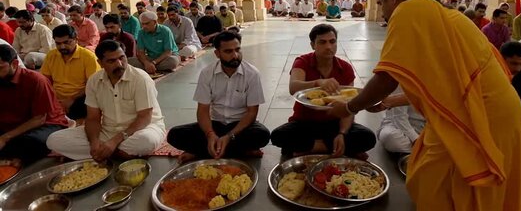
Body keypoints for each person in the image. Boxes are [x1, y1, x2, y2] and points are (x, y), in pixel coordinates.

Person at [327, 0, 521, 210]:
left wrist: (348, 107)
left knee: (432, 178)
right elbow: (440, 82)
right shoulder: (443, 14)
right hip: (498, 109)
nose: (383, 11)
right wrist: (386, 101)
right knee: (435, 173)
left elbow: (386, 79)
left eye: (380, 2)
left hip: (483, 113)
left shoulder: (409, 10)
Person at [46, 40, 166, 161]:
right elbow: (93, 118)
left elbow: (144, 117)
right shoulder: (94, 81)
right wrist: (94, 142)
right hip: (108, 130)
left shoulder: (140, 78)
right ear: (100, 63)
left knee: (146, 142)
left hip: (141, 129)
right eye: (111, 61)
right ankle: (117, 153)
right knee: (53, 140)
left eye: (122, 58)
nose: (119, 64)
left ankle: (106, 152)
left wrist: (114, 142)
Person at [271, 24, 377, 158]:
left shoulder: (345, 68)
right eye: (322, 42)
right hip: (305, 123)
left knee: (368, 138)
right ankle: (333, 148)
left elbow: (349, 106)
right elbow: (293, 87)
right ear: (312, 44)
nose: (328, 47)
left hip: (334, 124)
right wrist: (317, 83)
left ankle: (312, 148)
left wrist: (342, 133)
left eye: (332, 42)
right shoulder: (302, 61)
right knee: (278, 136)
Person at [167, 31, 270, 160]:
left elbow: (251, 113)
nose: (235, 55)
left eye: (238, 50)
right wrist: (210, 134)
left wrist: (229, 136)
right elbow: (203, 110)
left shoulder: (252, 74)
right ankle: (241, 151)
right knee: (174, 135)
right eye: (228, 51)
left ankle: (202, 152)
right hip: (215, 124)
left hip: (240, 127)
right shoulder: (207, 73)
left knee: (262, 135)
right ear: (217, 54)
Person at [0, 44, 67, 163]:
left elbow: (39, 119)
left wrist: (6, 137)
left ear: (14, 64)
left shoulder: (35, 80)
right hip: (12, 124)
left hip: (45, 123)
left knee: (31, 142)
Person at [41, 25, 101, 120]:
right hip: (56, 97)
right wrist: (53, 99)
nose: (62, 46)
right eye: (58, 43)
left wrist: (71, 99)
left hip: (79, 98)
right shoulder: (51, 55)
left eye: (66, 42)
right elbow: (45, 81)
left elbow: (93, 85)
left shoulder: (88, 57)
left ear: (76, 39)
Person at [374, 87, 425, 154]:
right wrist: (415, 139)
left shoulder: (440, 82)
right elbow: (399, 117)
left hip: (426, 129)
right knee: (390, 137)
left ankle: (421, 150)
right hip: (398, 126)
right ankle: (423, 150)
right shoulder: (404, 80)